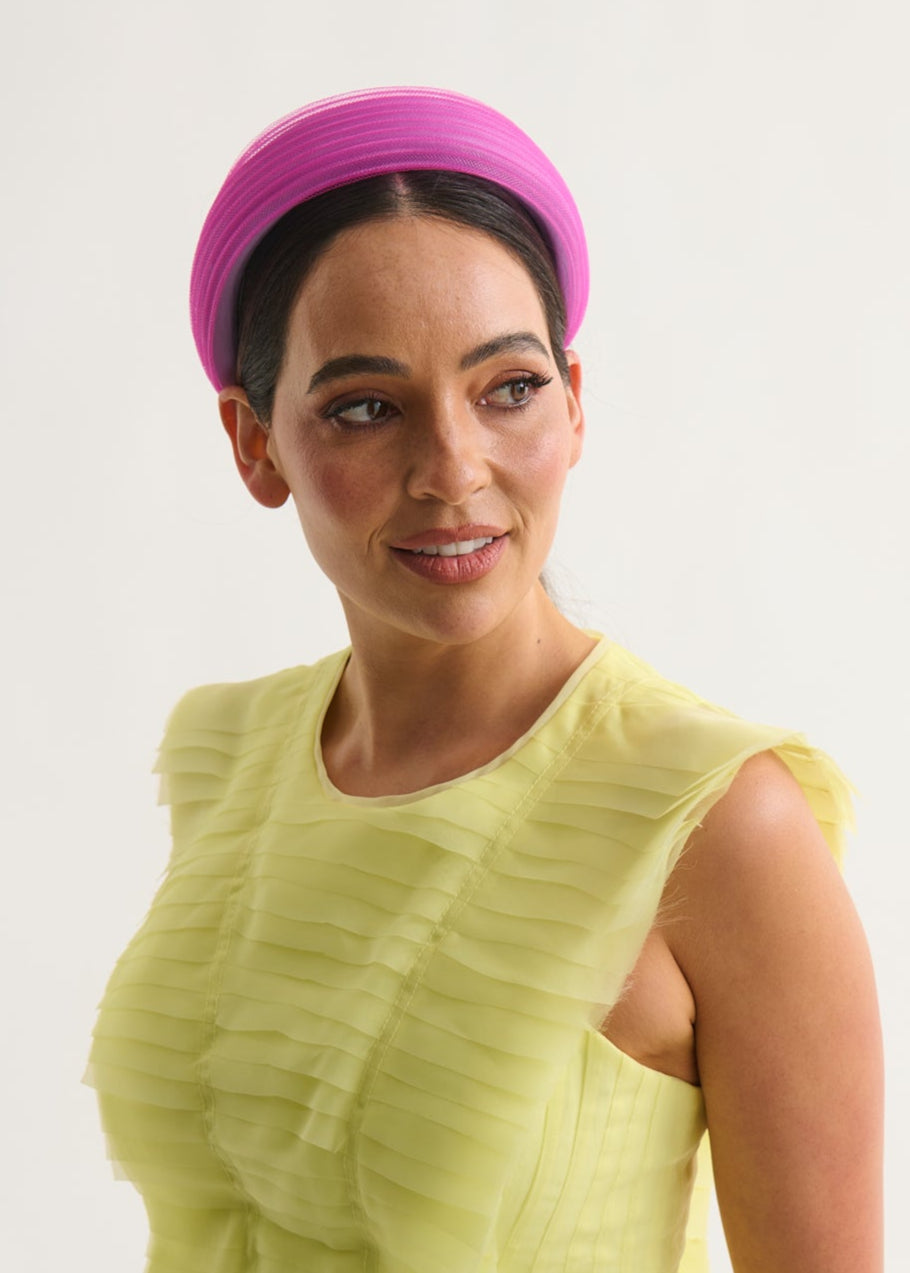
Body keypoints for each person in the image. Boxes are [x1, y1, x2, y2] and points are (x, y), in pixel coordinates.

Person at [85, 87, 883, 1273]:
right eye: (365, 407)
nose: (454, 471)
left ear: (574, 403)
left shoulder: (717, 820)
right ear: (255, 444)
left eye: (508, 388)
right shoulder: (233, 760)